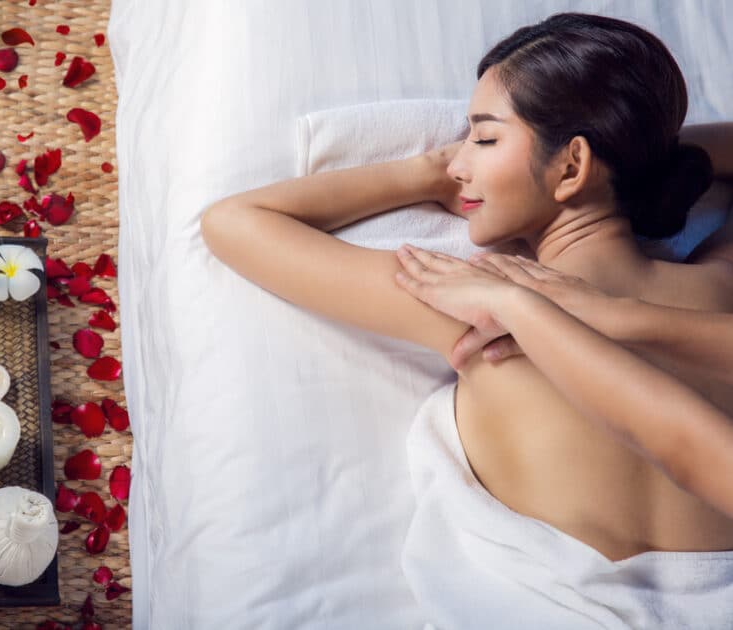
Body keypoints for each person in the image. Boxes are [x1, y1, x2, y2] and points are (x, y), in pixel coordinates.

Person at [201, 12, 733, 626]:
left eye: (482, 139)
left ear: (571, 166)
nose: (458, 164)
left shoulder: (480, 310)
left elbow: (234, 223)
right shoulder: (717, 292)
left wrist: (418, 173)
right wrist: (645, 150)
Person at [394, 247, 733, 521]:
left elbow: (691, 451)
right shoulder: (719, 281)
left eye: (481, 154)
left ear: (573, 166)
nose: (457, 167)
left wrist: (516, 306)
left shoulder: (470, 299)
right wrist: (618, 315)